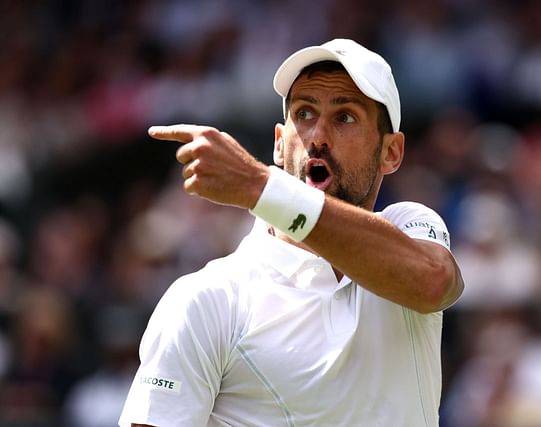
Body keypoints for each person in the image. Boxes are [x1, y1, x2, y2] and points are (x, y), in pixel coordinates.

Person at [119, 38, 464, 427]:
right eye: (304, 113)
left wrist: (261, 188)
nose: (317, 136)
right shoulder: (208, 299)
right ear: (280, 145)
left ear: (391, 152)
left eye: (345, 117)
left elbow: (433, 282)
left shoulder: (408, 226)